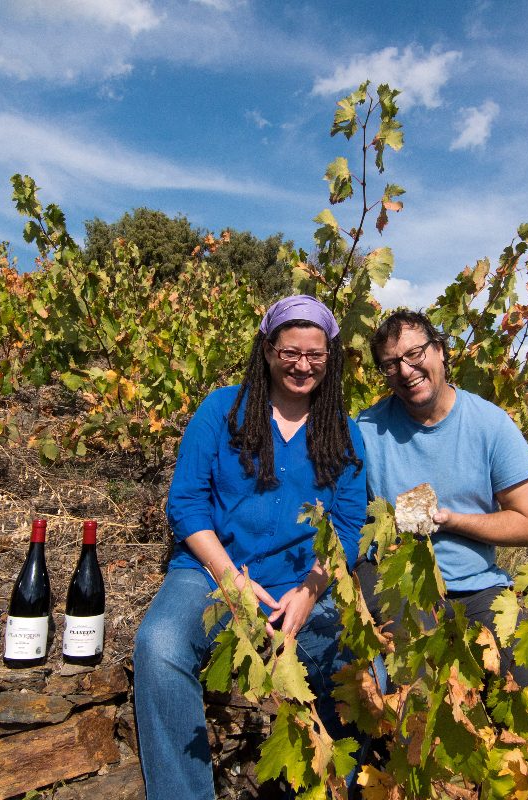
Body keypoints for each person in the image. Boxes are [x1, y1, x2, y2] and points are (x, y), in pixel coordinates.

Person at [133, 295, 368, 800]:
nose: (303, 365)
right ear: (267, 350)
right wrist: (230, 578)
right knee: (160, 647)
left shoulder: (343, 433)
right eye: (290, 352)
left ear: (331, 357)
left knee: (361, 672)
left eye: (315, 354)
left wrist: (310, 592)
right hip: (210, 574)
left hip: (304, 585)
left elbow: (349, 527)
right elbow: (187, 504)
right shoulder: (223, 410)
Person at [356, 309, 528, 707]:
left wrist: (452, 522)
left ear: (441, 351)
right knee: (419, 690)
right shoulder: (366, 431)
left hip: (478, 588)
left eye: (415, 354)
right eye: (390, 364)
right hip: (398, 583)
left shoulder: (491, 424)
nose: (405, 370)